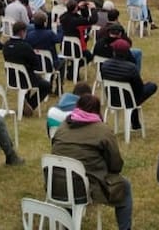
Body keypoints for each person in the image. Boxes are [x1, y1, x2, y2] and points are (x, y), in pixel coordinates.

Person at [51, 93, 134, 230]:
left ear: (77, 107)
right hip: (84, 187)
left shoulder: (62, 126)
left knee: (72, 177)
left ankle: (67, 222)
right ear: (97, 111)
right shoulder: (102, 130)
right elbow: (116, 165)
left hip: (55, 184)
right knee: (125, 186)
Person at [101, 39, 158, 129]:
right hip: (129, 100)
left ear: (114, 51)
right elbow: (139, 89)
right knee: (151, 86)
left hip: (112, 99)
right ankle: (135, 122)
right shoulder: (131, 68)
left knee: (133, 93)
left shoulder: (105, 65)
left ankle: (135, 122)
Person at [4, 20, 51, 115]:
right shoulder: (25, 46)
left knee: (36, 77)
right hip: (25, 79)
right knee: (46, 85)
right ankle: (30, 104)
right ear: (22, 32)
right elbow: (36, 64)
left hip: (11, 78)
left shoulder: (6, 45)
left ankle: (25, 102)